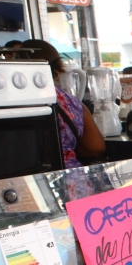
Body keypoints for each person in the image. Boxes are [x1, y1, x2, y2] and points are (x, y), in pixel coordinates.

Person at [19, 39, 104, 169]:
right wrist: (67, 151)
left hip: (31, 180)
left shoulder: (13, 102)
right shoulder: (70, 102)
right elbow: (96, 147)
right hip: (73, 179)